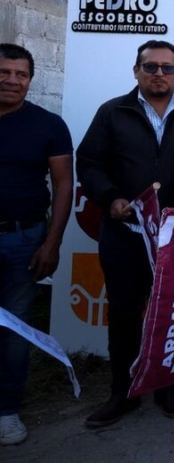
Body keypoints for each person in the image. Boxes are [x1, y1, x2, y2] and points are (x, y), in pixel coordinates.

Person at [78, 39, 174, 428]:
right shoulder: (113, 112)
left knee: (173, 313)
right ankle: (124, 391)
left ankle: (168, 386)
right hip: (126, 230)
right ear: (136, 71)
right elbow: (89, 163)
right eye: (150, 67)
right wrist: (111, 198)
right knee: (123, 314)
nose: (159, 74)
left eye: (167, 68)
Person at [0, 44, 73, 446]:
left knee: (15, 330)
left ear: (31, 78)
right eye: (4, 72)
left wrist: (52, 242)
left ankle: (6, 411)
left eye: (20, 74)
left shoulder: (48, 125)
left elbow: (64, 185)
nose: (12, 80)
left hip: (22, 239)